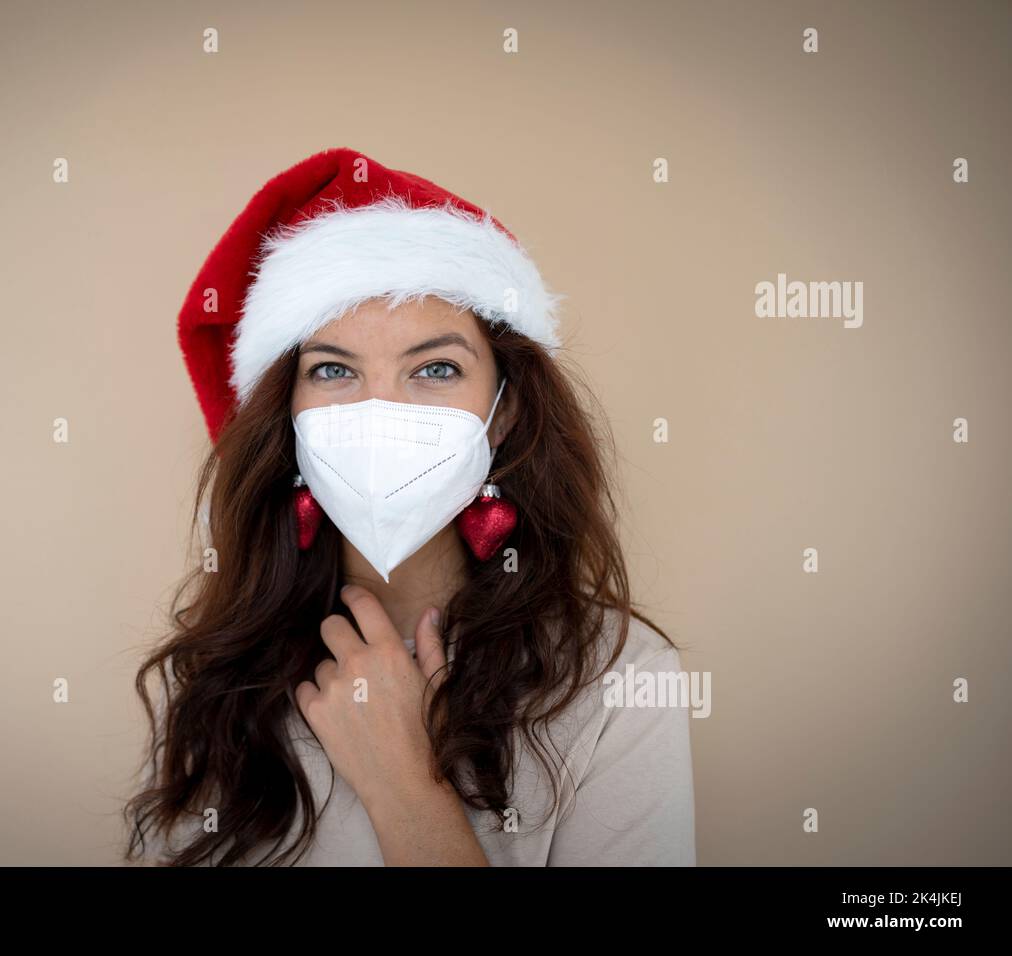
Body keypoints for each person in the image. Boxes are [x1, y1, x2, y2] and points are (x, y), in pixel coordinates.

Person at [124, 147, 696, 866]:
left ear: (506, 411)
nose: (380, 411)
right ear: (286, 413)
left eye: (435, 369)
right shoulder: (213, 674)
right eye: (333, 369)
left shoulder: (619, 678)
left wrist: (404, 784)